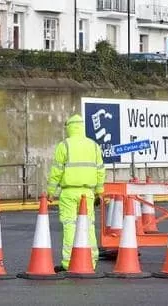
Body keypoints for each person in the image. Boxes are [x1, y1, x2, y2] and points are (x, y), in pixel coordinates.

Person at [47, 114, 106, 273]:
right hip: (88, 192)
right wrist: (100, 191)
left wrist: (50, 192)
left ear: (69, 128)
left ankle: (68, 262)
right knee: (88, 226)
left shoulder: (64, 145)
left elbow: (56, 171)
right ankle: (91, 261)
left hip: (69, 192)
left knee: (69, 226)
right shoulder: (93, 145)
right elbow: (100, 170)